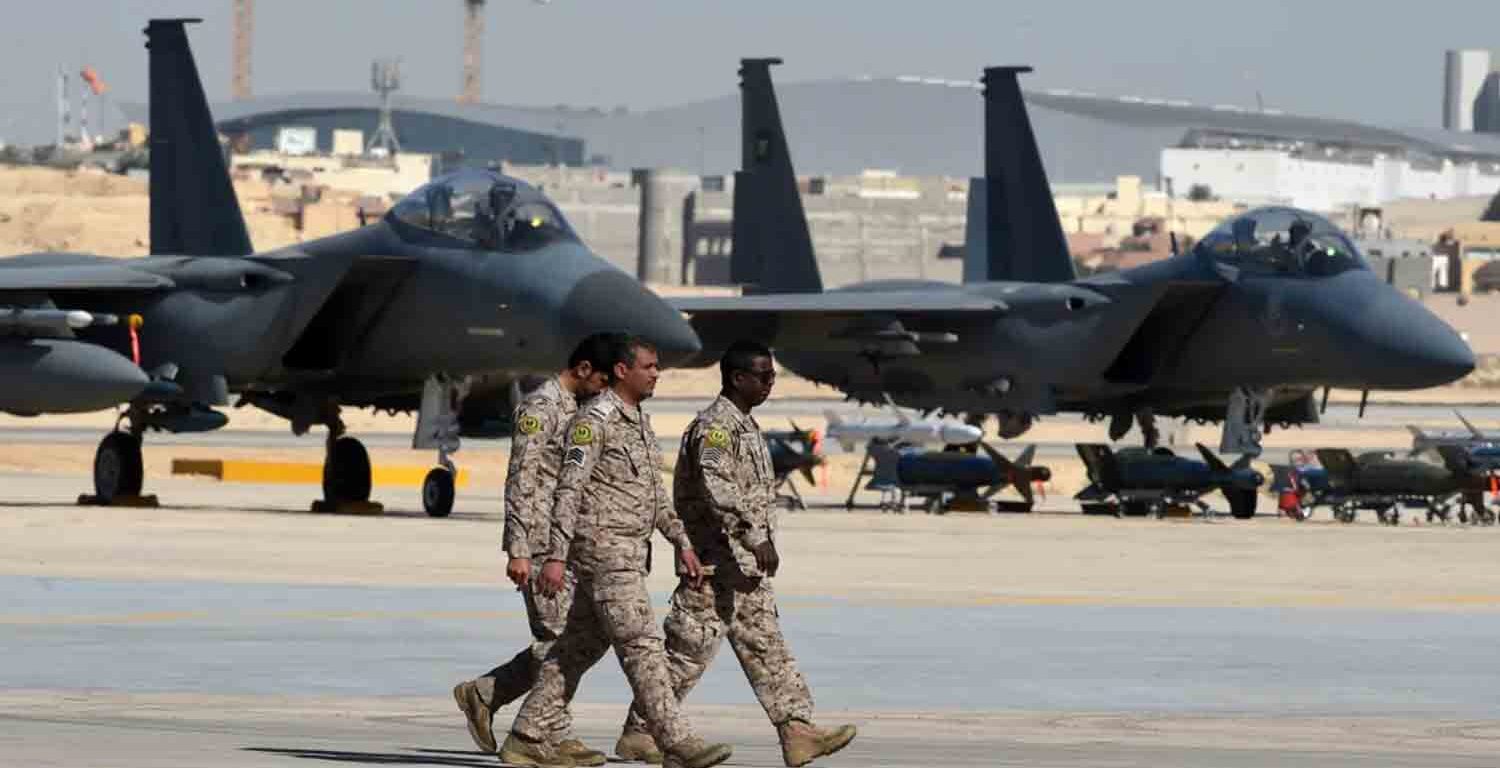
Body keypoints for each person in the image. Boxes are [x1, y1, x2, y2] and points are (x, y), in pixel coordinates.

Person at [615, 341, 857, 768]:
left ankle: (797, 730)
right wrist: (754, 537)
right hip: (714, 563)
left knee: (766, 648)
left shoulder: (745, 426)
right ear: (737, 378)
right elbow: (717, 487)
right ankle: (641, 731)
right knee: (687, 654)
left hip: (741, 569)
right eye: (763, 376)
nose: (770, 384)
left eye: (772, 376)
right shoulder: (716, 428)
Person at [500, 335, 733, 768]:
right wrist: (553, 555)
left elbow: (653, 494)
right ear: (623, 371)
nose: (657, 373)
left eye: (657, 366)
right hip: (602, 551)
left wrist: (681, 542)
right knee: (642, 644)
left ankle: (527, 735)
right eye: (649, 366)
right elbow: (567, 489)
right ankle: (675, 740)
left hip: (630, 550)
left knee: (579, 645)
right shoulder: (593, 422)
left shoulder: (638, 423)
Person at [452, 333, 616, 763]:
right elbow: (521, 479)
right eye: (601, 380)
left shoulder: (581, 411)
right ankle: (553, 736)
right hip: (541, 542)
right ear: (582, 370)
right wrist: (519, 549)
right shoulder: (540, 408)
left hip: (568, 542)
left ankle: (486, 692)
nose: (603, 391)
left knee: (589, 636)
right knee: (557, 640)